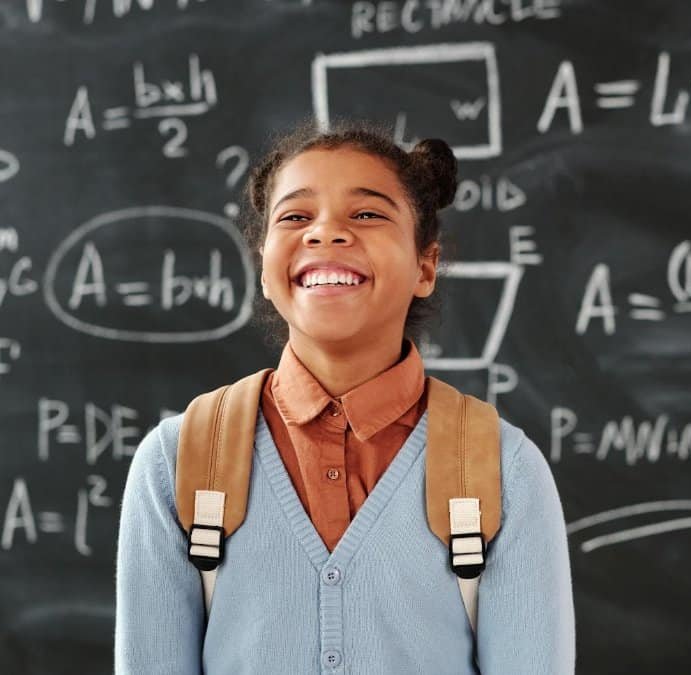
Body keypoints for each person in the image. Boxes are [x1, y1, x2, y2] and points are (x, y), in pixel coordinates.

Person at [114, 119, 576, 673]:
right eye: (295, 216)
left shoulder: (503, 468)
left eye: (367, 214)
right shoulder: (179, 460)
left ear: (426, 265)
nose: (325, 233)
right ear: (264, 265)